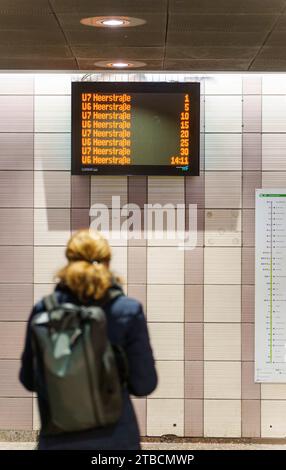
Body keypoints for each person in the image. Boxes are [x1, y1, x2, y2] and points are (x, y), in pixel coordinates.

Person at [19, 229, 157, 450]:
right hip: (116, 439)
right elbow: (144, 384)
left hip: (57, 440)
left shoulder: (43, 310)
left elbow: (28, 379)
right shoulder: (128, 310)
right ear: (108, 262)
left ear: (69, 261)